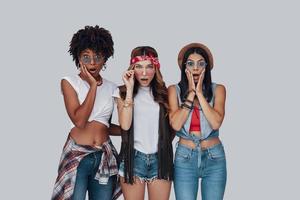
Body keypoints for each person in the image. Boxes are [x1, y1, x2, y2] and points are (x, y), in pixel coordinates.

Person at [52, 25, 121, 200]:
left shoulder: (112, 87)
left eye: (97, 57)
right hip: (77, 157)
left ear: (105, 58)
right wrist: (92, 87)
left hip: (104, 157)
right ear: (78, 58)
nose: (92, 63)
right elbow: (80, 121)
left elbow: (104, 124)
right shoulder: (69, 82)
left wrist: (127, 130)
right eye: (86, 57)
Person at [113, 46, 173, 200]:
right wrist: (130, 89)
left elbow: (172, 127)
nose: (144, 73)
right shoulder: (121, 92)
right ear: (132, 69)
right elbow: (125, 125)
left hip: (161, 159)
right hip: (133, 159)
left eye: (149, 67)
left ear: (156, 68)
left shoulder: (165, 94)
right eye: (139, 67)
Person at [168, 43, 227, 200]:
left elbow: (215, 123)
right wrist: (190, 94)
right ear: (184, 67)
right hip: (185, 157)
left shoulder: (218, 89)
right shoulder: (174, 90)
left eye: (201, 63)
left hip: (214, 156)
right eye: (191, 63)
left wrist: (199, 93)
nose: (196, 68)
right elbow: (175, 124)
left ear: (206, 67)